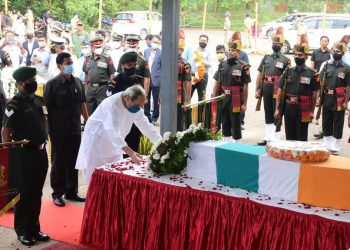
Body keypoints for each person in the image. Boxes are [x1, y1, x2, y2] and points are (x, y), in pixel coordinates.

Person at [1, 67, 50, 246]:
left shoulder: (39, 100)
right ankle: (22, 230)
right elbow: (6, 130)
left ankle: (35, 228)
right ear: (21, 84)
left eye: (34, 79)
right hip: (24, 154)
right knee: (24, 194)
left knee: (37, 193)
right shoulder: (14, 104)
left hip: (40, 153)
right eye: (30, 80)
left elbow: (45, 123)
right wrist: (9, 155)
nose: (33, 82)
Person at [75, 85, 162, 182]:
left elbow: (146, 126)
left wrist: (161, 143)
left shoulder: (135, 107)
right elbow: (112, 130)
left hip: (116, 141)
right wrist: (129, 151)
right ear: (128, 98)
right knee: (95, 175)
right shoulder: (112, 104)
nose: (140, 108)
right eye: (138, 105)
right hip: (97, 139)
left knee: (114, 173)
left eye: (141, 105)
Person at [44, 52, 89, 207]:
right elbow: (45, 109)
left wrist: (87, 120)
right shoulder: (52, 84)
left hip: (75, 129)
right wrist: (47, 130)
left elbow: (82, 103)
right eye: (66, 62)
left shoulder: (77, 81)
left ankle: (71, 191)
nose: (70, 65)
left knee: (73, 160)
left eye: (71, 62)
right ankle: (57, 193)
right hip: (58, 130)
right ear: (59, 66)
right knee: (58, 162)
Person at [274, 43, 319, 141]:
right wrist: (277, 109)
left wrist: (312, 111)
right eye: (296, 54)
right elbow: (280, 90)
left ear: (306, 57)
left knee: (302, 137)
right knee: (289, 137)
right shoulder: (288, 71)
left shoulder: (313, 73)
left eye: (300, 55)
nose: (297, 57)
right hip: (289, 108)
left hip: (304, 108)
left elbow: (314, 94)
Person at [256, 34, 291, 145]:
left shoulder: (286, 60)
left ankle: (276, 137)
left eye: (277, 44)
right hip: (266, 87)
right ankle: (268, 136)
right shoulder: (266, 58)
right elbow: (260, 74)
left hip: (277, 89)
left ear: (281, 45)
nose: (275, 45)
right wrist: (257, 89)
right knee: (268, 110)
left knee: (277, 111)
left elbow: (288, 78)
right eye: (274, 43)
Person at [213, 40, 251, 142]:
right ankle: (226, 143)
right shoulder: (222, 64)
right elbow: (217, 82)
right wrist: (214, 97)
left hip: (236, 98)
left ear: (238, 52)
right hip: (224, 97)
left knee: (235, 122)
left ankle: (236, 145)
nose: (230, 52)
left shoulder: (243, 66)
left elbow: (246, 86)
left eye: (233, 50)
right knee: (224, 121)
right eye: (229, 50)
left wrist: (245, 104)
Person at [319, 42, 350, 155]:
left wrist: (346, 101)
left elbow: (348, 86)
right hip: (327, 97)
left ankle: (335, 146)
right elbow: (321, 82)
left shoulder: (346, 68)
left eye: (338, 51)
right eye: (334, 51)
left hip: (339, 99)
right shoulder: (326, 65)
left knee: (338, 122)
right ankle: (326, 144)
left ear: (343, 53)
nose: (335, 53)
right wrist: (319, 97)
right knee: (326, 121)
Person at [84, 37, 116, 115]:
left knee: (102, 112)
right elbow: (86, 73)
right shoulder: (87, 58)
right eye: (96, 47)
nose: (98, 48)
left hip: (102, 88)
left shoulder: (107, 58)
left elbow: (112, 73)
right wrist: (86, 89)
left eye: (100, 47)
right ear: (92, 47)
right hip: (91, 88)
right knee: (90, 112)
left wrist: (109, 87)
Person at [310, 36, 331, 139]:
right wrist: (313, 75)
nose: (324, 42)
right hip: (316, 77)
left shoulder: (330, 53)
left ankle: (319, 117)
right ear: (320, 42)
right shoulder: (315, 52)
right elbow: (312, 65)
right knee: (313, 98)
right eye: (322, 41)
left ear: (328, 43)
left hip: (324, 80)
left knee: (321, 99)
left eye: (326, 41)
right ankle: (311, 115)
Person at [230, 31, 249, 130]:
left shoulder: (244, 54)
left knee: (241, 102)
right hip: (230, 80)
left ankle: (241, 121)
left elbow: (246, 66)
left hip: (240, 81)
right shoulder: (230, 52)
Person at [144, 35, 162, 124]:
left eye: (157, 43)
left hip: (157, 80)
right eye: (154, 42)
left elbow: (163, 68)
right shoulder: (146, 51)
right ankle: (147, 117)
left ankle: (154, 117)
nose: (155, 44)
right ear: (151, 42)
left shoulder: (162, 53)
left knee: (156, 100)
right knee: (146, 98)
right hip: (147, 79)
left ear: (159, 44)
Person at [192, 34, 214, 101]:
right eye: (201, 40)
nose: (203, 42)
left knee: (201, 97)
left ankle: (201, 111)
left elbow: (210, 64)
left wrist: (201, 60)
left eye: (205, 41)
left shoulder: (209, 52)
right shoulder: (194, 50)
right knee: (188, 94)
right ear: (199, 40)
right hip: (194, 75)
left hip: (203, 76)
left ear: (207, 42)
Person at [177, 39, 192, 131]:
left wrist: (187, 101)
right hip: (169, 94)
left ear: (182, 50)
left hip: (180, 94)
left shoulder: (185, 64)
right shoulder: (168, 61)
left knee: (179, 117)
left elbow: (188, 83)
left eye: (179, 48)